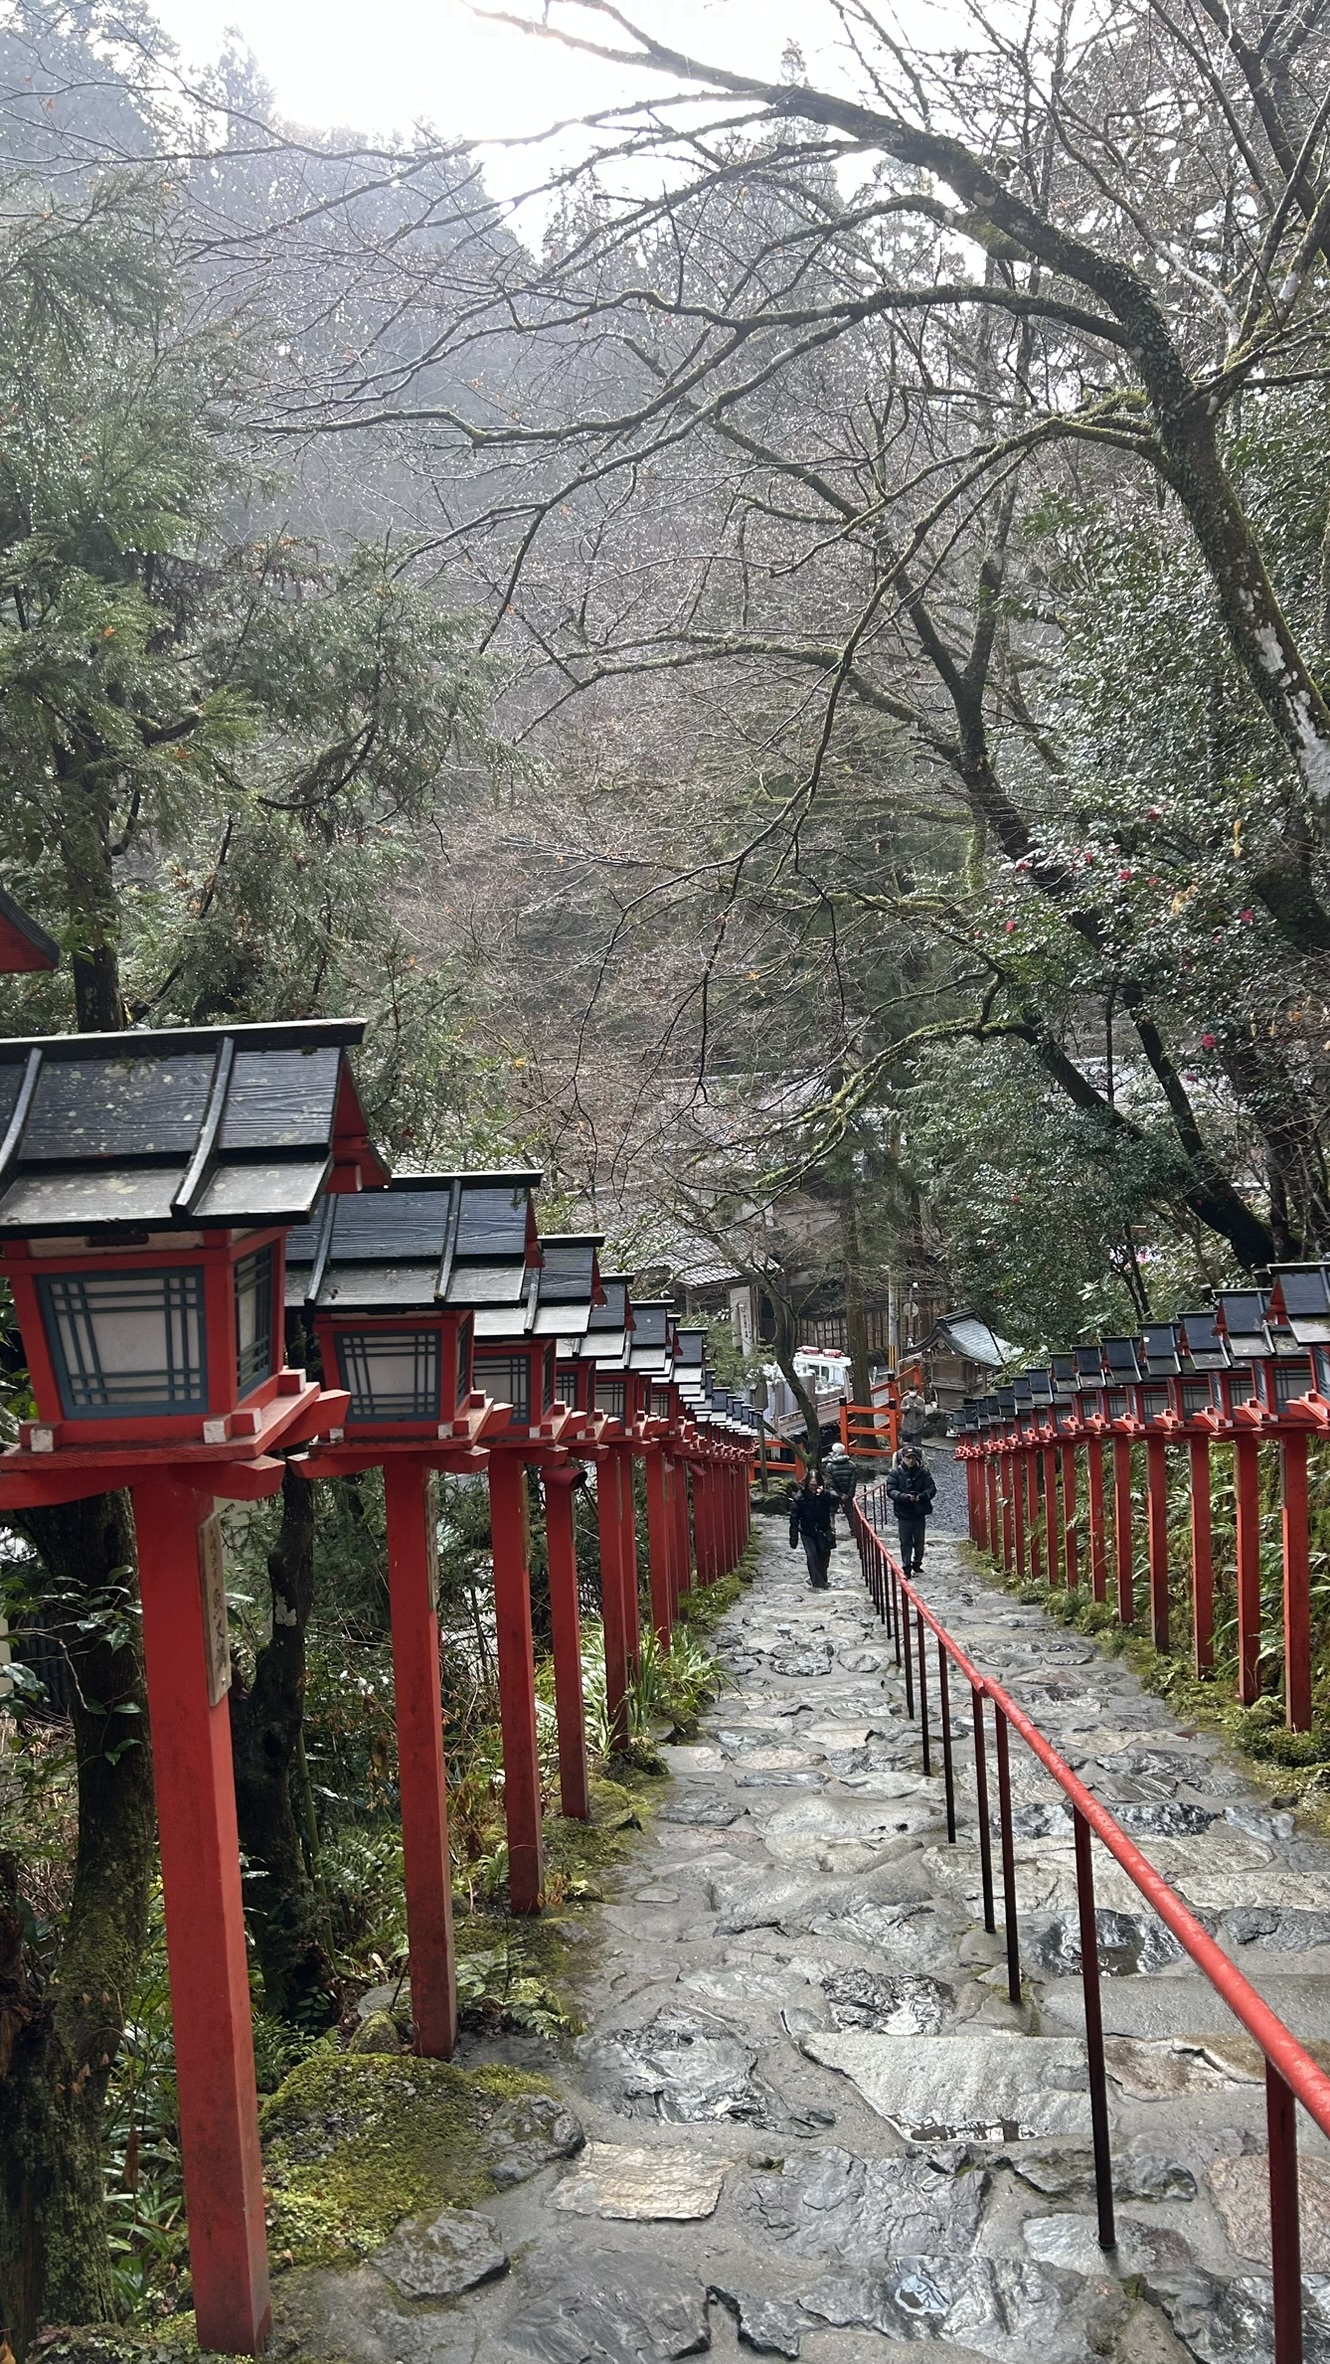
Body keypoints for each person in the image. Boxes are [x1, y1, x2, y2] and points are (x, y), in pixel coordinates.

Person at [885, 1443, 936, 1575]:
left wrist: (922, 1496)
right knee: (905, 1541)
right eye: (908, 1458)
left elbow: (931, 1489)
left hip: (919, 1511)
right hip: (903, 1512)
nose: (911, 1460)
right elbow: (890, 1491)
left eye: (913, 1458)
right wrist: (904, 1497)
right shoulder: (895, 1473)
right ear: (902, 1458)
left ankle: (917, 1563)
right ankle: (906, 1566)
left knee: (919, 1541)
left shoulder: (923, 1473)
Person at [789, 1468, 836, 1588]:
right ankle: (818, 1583)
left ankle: (821, 1579)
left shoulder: (825, 1495)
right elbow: (794, 1519)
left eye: (816, 1485)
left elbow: (836, 1501)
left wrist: (824, 1494)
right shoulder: (800, 1498)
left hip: (823, 1530)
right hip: (807, 1531)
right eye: (811, 1485)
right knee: (812, 1556)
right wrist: (793, 1539)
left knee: (823, 1557)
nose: (813, 1488)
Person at [826, 1442, 858, 1515]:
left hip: (835, 1494)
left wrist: (839, 1494)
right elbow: (853, 1483)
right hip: (847, 1495)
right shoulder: (852, 1465)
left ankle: (831, 1526)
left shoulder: (829, 1466)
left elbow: (830, 1483)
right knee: (850, 1513)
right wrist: (849, 1495)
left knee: (831, 1513)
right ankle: (853, 1526)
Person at [898, 1386, 928, 1453]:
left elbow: (922, 1411)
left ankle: (918, 1455)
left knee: (917, 1444)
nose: (912, 1393)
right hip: (907, 1424)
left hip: (917, 1424)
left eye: (913, 1391)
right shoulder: (905, 1399)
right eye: (910, 1391)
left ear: (916, 1391)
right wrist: (906, 1408)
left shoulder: (920, 1400)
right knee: (905, 1444)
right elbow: (901, 1409)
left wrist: (916, 1407)